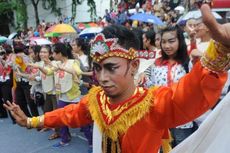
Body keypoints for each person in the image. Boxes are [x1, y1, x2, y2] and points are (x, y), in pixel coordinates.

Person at [4, 4, 230, 152]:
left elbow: (190, 93)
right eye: (97, 68)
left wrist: (219, 50)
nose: (102, 77)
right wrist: (32, 121)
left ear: (133, 66)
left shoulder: (153, 104)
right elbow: (71, 113)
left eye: (111, 68)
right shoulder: (97, 100)